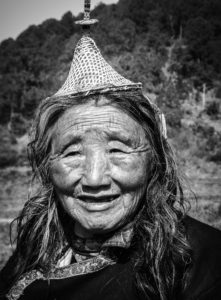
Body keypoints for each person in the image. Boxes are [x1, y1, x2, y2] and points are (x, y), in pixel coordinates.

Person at [1, 1, 221, 299]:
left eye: (117, 150)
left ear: (154, 160)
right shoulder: (38, 240)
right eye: (72, 153)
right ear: (46, 166)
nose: (94, 179)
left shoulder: (204, 263)